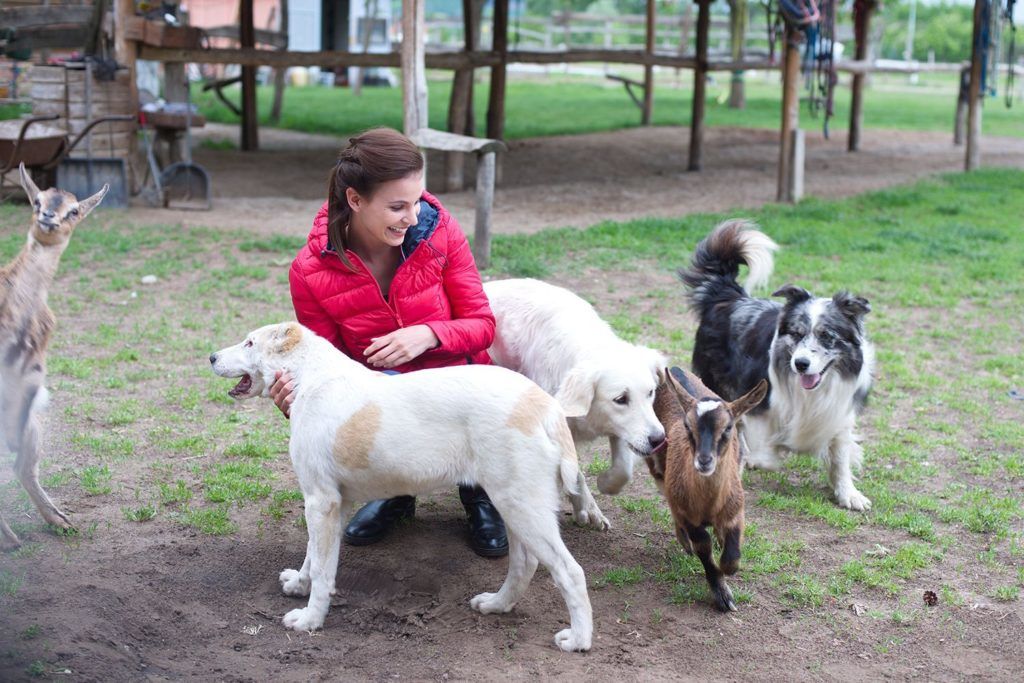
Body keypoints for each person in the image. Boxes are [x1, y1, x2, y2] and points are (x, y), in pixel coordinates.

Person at [269, 127, 508, 558]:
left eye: (417, 201)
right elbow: (324, 364)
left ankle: (479, 493)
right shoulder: (308, 271)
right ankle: (395, 491)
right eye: (398, 206)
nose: (414, 217)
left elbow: (482, 325)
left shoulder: (441, 231)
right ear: (355, 200)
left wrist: (429, 333)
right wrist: (297, 396)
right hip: (385, 400)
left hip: (457, 383)